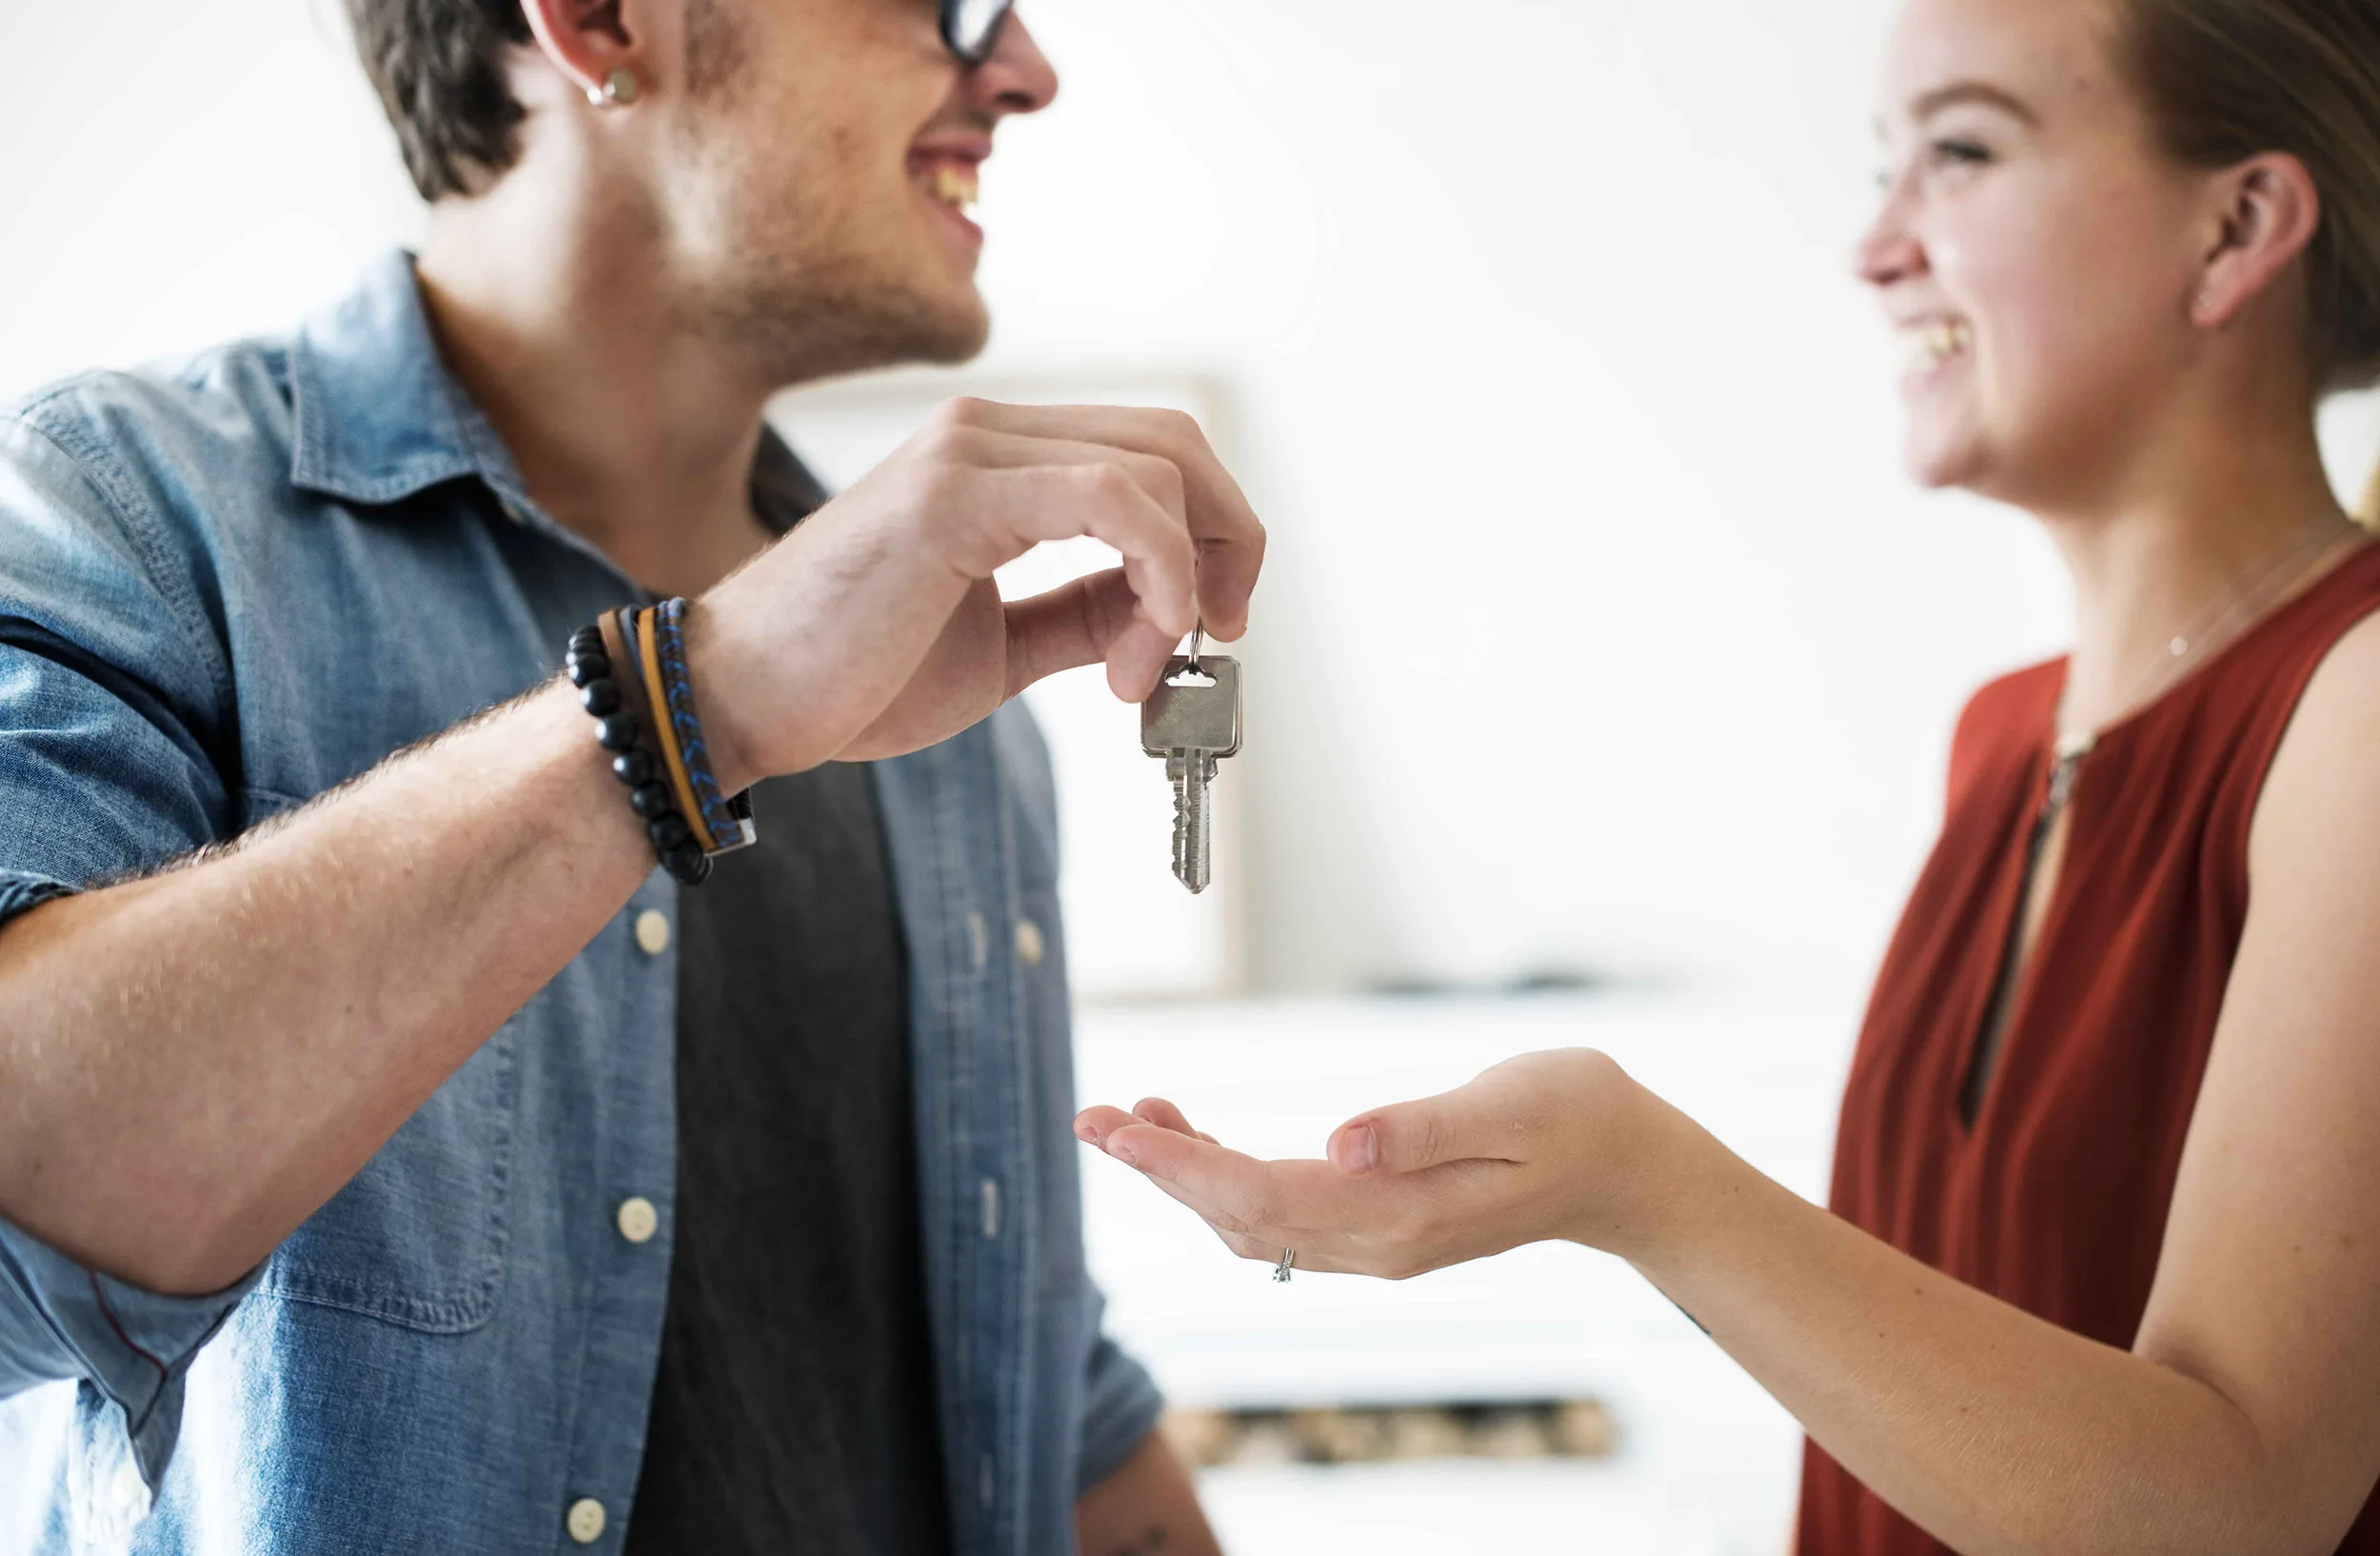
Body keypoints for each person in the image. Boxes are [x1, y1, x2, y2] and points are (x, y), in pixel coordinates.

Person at [1078, 0, 2380, 1549]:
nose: (1877, 247)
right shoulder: (2006, 736)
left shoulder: (2352, 709)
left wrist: (1639, 1184)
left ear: (2240, 228)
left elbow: (2234, 1506)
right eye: (1884, 168)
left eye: (1960, 153)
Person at [0, 0, 1262, 1552]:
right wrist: (690, 708)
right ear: (601, 20)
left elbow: (1036, 1394)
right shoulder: (129, 519)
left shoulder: (965, 703)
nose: (1022, 67)